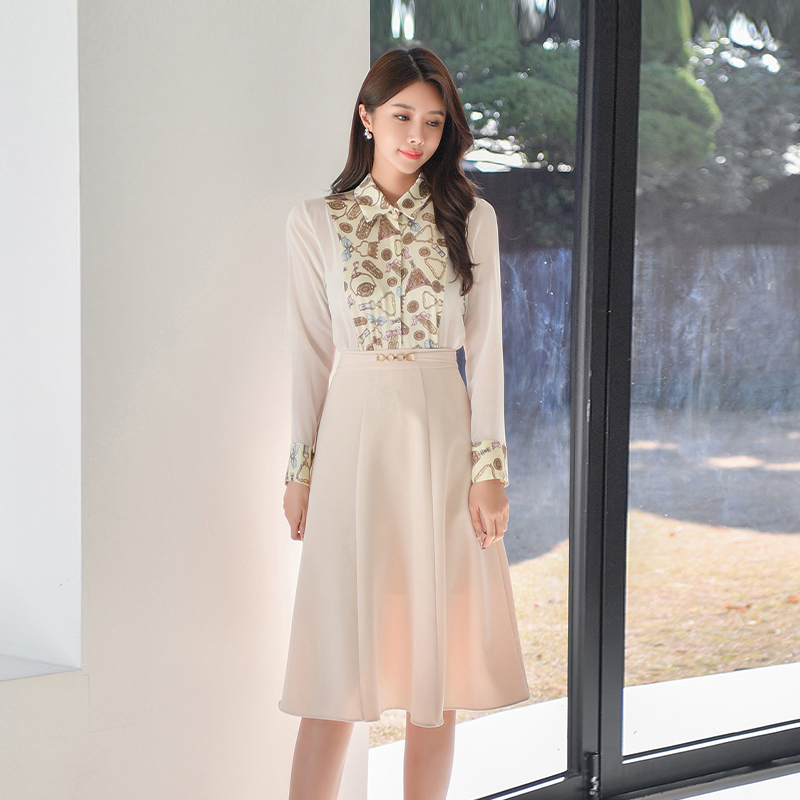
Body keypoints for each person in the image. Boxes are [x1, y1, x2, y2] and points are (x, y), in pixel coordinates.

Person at [279, 46, 530, 800]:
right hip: (353, 439)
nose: (416, 135)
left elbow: (486, 350)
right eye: (401, 116)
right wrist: (300, 471)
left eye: (433, 121)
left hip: (440, 438)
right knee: (334, 670)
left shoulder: (470, 218)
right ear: (367, 118)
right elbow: (310, 352)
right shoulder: (316, 222)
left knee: (436, 666)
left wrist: (489, 470)